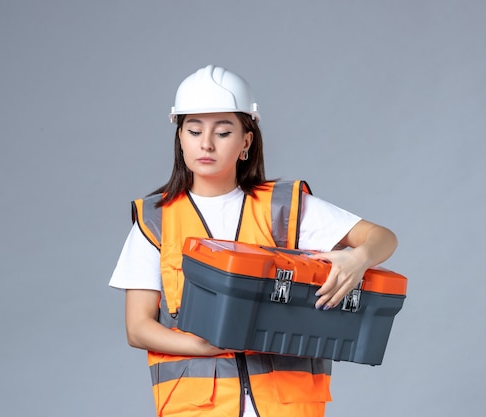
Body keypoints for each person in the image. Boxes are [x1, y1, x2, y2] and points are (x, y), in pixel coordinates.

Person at [109, 64, 398, 417]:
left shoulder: (284, 207)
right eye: (194, 130)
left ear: (246, 140)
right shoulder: (156, 220)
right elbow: (138, 328)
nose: (206, 143)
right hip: (199, 406)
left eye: (223, 131)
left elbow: (382, 237)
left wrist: (359, 258)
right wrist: (206, 346)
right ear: (180, 136)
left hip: (286, 405)